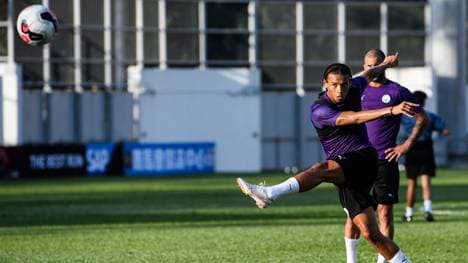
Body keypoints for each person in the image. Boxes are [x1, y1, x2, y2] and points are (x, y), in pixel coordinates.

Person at [237, 59, 415, 262]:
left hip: (362, 158)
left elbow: (369, 73)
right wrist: (391, 109)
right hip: (347, 169)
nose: (340, 90)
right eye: (334, 85)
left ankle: (271, 192)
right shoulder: (320, 110)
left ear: (350, 82)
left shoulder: (355, 86)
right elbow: (352, 118)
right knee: (370, 233)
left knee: (320, 169)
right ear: (325, 83)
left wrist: (386, 65)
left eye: (344, 84)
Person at [345, 49, 427, 263]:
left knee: (384, 213)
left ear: (384, 65)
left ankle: (384, 260)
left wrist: (406, 145)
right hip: (358, 160)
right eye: (368, 65)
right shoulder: (355, 90)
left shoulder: (397, 91)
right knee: (354, 216)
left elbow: (422, 117)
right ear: (364, 67)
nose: (372, 69)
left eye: (376, 65)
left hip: (385, 160)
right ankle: (351, 260)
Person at [401, 91, 450, 222]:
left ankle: (409, 213)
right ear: (424, 102)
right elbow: (445, 131)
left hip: (410, 148)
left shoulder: (405, 117)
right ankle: (428, 210)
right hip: (426, 149)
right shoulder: (431, 116)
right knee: (426, 181)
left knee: (411, 183)